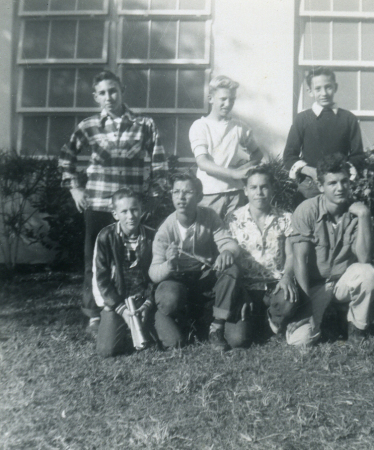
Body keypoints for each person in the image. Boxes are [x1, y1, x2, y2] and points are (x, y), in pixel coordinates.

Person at [58, 70, 166, 335]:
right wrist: (75, 190)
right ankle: (94, 315)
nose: (109, 97)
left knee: (137, 260)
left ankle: (138, 308)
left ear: (122, 91)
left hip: (132, 210)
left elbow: (160, 165)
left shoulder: (145, 125)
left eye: (113, 90)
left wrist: (153, 197)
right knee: (94, 262)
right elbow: (66, 159)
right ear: (96, 97)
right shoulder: (88, 126)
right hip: (98, 205)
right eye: (103, 93)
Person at [149, 173, 249, 351]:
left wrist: (226, 252)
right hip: (178, 283)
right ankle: (176, 318)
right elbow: (154, 272)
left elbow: (228, 242)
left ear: (199, 196)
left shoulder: (209, 216)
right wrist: (169, 265)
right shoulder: (165, 230)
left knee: (238, 338)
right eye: (176, 192)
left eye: (188, 192)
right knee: (169, 301)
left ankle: (216, 326)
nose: (181, 197)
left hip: (205, 281)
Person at [289, 153, 374, 346]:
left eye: (344, 182)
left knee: (367, 274)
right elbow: (300, 260)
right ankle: (333, 315)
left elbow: (364, 258)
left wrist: (364, 216)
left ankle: (356, 327)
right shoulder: (307, 210)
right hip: (315, 285)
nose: (340, 188)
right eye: (332, 183)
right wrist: (305, 307)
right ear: (320, 187)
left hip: (341, 282)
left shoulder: (356, 211)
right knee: (299, 341)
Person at [225, 166, 303, 341]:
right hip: (245, 288)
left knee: (288, 302)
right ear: (245, 191)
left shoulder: (285, 218)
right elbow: (230, 258)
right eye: (253, 187)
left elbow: (291, 255)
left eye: (264, 187)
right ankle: (260, 322)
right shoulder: (233, 219)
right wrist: (240, 292)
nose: (259, 192)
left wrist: (287, 277)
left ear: (272, 188)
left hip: (274, 286)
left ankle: (272, 319)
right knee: (237, 340)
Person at [283, 67, 364, 199]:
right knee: (309, 217)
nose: (324, 93)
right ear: (310, 91)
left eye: (328, 87)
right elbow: (289, 156)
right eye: (318, 89)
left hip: (339, 185)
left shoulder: (348, 118)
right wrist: (311, 172)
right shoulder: (303, 119)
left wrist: (339, 173)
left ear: (335, 87)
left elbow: (358, 155)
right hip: (310, 185)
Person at [189, 75, 263, 218]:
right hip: (209, 193)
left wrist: (243, 169)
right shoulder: (200, 126)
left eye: (232, 100)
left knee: (236, 233)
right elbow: (203, 162)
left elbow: (258, 155)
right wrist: (233, 173)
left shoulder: (240, 127)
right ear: (210, 98)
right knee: (208, 235)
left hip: (235, 193)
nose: (228, 104)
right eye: (223, 99)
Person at [92, 188, 154, 358]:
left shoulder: (152, 236)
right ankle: (123, 323)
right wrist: (121, 309)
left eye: (134, 210)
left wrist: (148, 303)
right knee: (107, 350)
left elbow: (156, 275)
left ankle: (144, 325)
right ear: (115, 214)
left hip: (144, 297)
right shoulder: (106, 236)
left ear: (141, 210)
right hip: (118, 298)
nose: (131, 216)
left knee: (173, 341)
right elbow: (101, 278)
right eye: (124, 211)